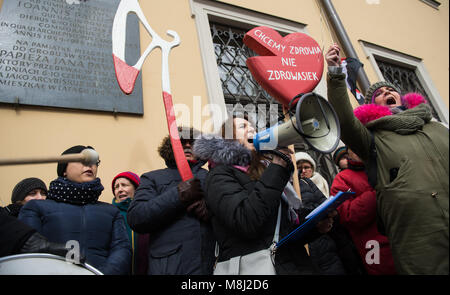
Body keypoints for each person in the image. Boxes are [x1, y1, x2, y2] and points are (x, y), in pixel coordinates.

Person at [326, 43, 449, 274]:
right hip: (419, 239)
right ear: (373, 107)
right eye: (379, 94)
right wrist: (335, 75)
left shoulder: (437, 128)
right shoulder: (373, 137)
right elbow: (342, 119)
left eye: (390, 90)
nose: (386, 93)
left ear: (402, 98)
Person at [193, 114, 336, 275]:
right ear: (228, 138)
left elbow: (283, 231)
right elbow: (246, 221)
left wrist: (316, 226)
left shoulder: (263, 171)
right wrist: (276, 169)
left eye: (252, 126)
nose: (252, 129)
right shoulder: (219, 176)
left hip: (294, 265)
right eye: (243, 127)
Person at [19, 145, 131, 275]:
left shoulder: (111, 212)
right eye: (81, 159)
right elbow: (28, 250)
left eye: (93, 162)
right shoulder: (36, 208)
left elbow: (122, 249)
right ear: (64, 169)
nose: (89, 165)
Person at [127, 127, 216, 275]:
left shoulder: (213, 177)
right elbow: (137, 217)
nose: (187, 146)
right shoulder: (152, 178)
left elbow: (233, 217)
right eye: (182, 142)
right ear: (171, 147)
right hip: (169, 268)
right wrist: (178, 195)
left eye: (192, 143)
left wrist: (211, 213)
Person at [330, 148, 396, 275]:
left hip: (405, 240)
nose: (357, 150)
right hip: (375, 248)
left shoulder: (385, 165)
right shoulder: (341, 179)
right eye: (352, 148)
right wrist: (377, 193)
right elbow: (347, 216)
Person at [111, 171, 149, 275]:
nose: (120, 190)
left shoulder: (146, 212)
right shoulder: (111, 214)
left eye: (124, 185)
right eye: (116, 187)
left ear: (136, 188)